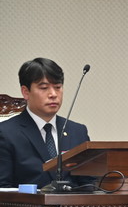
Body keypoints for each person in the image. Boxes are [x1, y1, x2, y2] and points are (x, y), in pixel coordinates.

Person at [0, 58, 91, 188]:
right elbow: (3, 188)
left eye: (58, 87)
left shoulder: (78, 131)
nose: (53, 94)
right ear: (26, 92)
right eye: (44, 88)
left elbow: (90, 184)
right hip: (27, 201)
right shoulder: (6, 133)